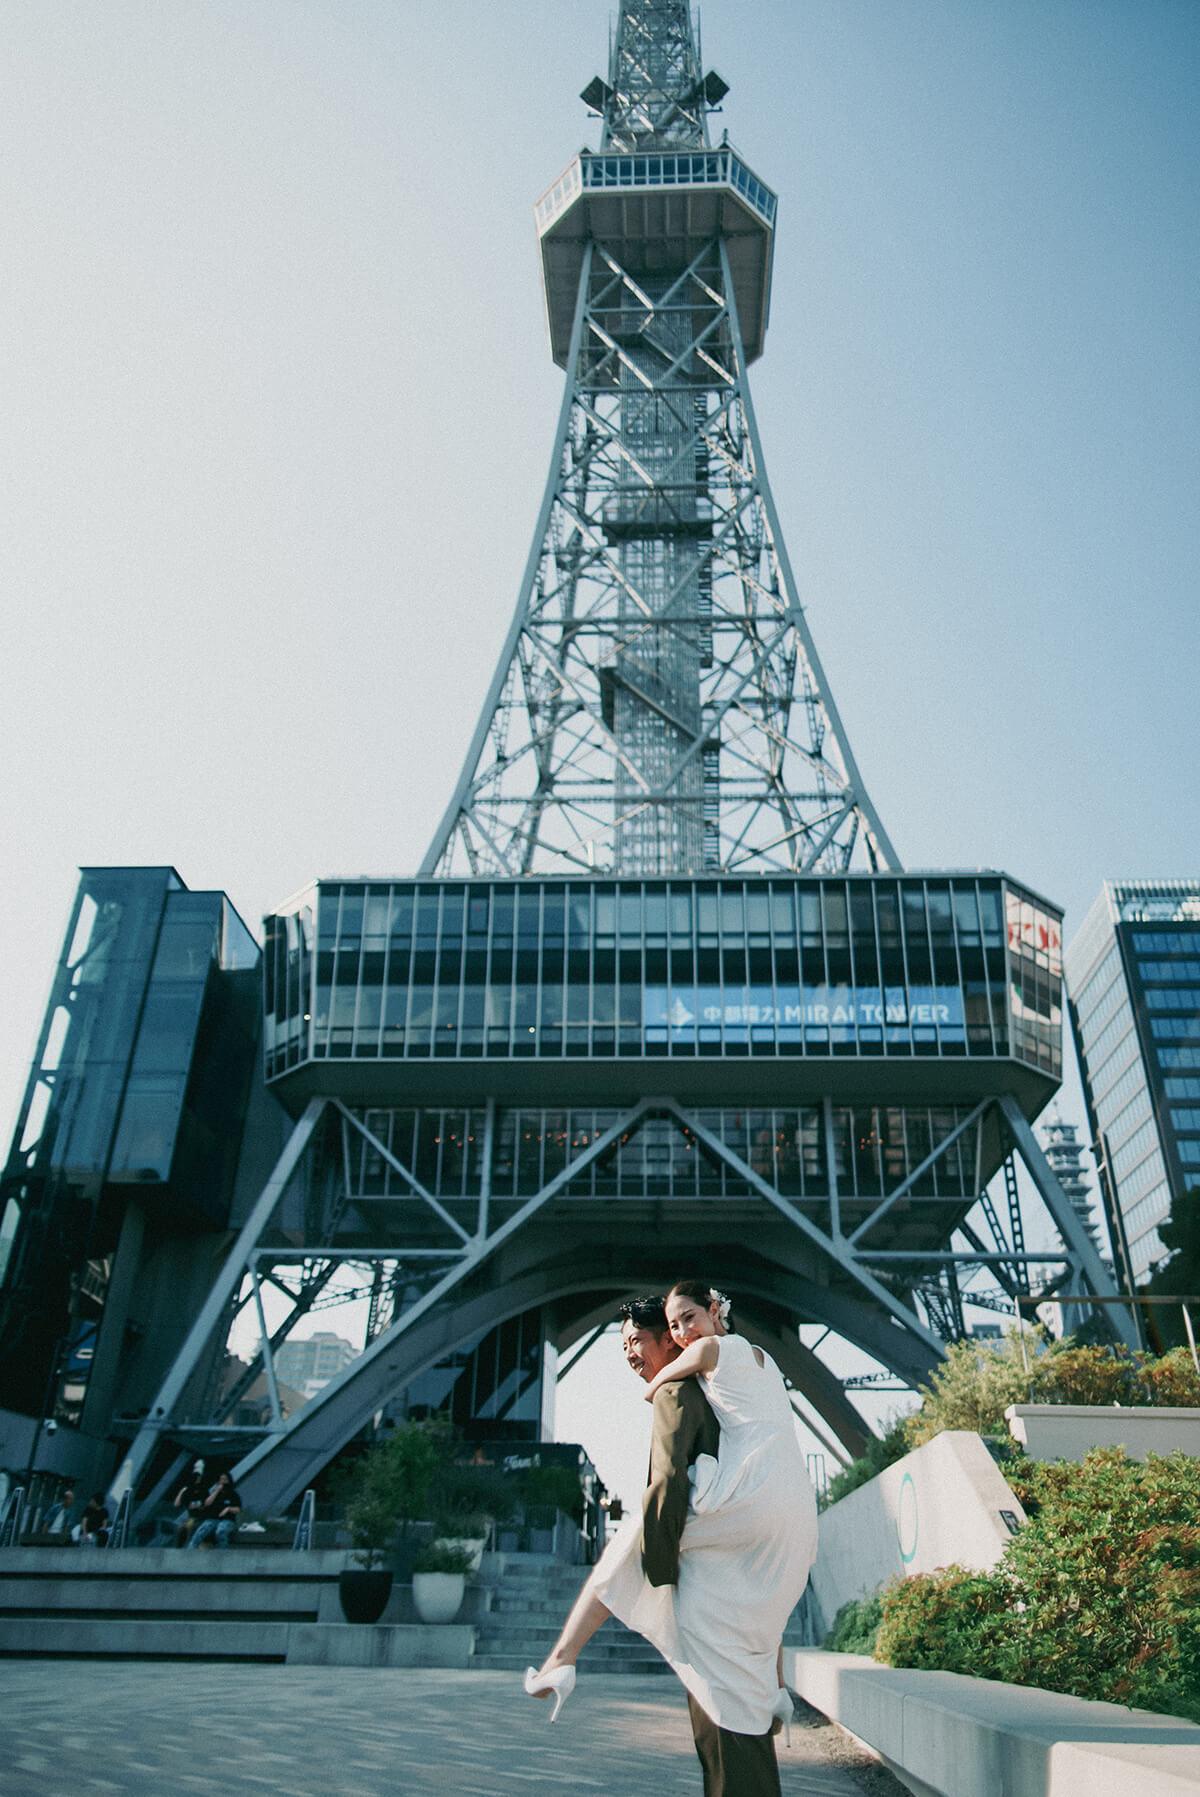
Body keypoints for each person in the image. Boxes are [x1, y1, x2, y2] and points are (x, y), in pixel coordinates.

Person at [526, 1283, 817, 1796]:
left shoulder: (676, 1388)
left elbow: (665, 1482)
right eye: (622, 1347)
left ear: (673, 1338)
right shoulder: (745, 1365)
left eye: (635, 1340)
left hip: (742, 1503)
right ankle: (773, 1688)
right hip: (790, 1509)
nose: (629, 1354)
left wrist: (659, 1570)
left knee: (631, 1540)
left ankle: (562, 1659)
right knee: (754, 1625)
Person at [186, 1471, 242, 1549]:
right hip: (213, 1519)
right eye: (221, 1479)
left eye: (225, 1479)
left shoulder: (233, 1494)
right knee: (201, 1531)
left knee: (220, 1531)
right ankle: (190, 1550)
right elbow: (206, 1503)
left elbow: (238, 1509)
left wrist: (228, 1509)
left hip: (227, 1520)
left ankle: (219, 1552)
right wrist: (216, 1491)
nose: (223, 1482)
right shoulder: (214, 1494)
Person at [170, 1460, 208, 1547]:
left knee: (191, 1528)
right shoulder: (189, 1491)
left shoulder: (204, 1491)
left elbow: (207, 1507)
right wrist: (182, 1491)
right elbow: (176, 1504)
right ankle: (177, 1548)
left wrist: (198, 1507)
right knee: (180, 1529)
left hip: (201, 1518)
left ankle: (189, 1548)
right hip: (191, 1518)